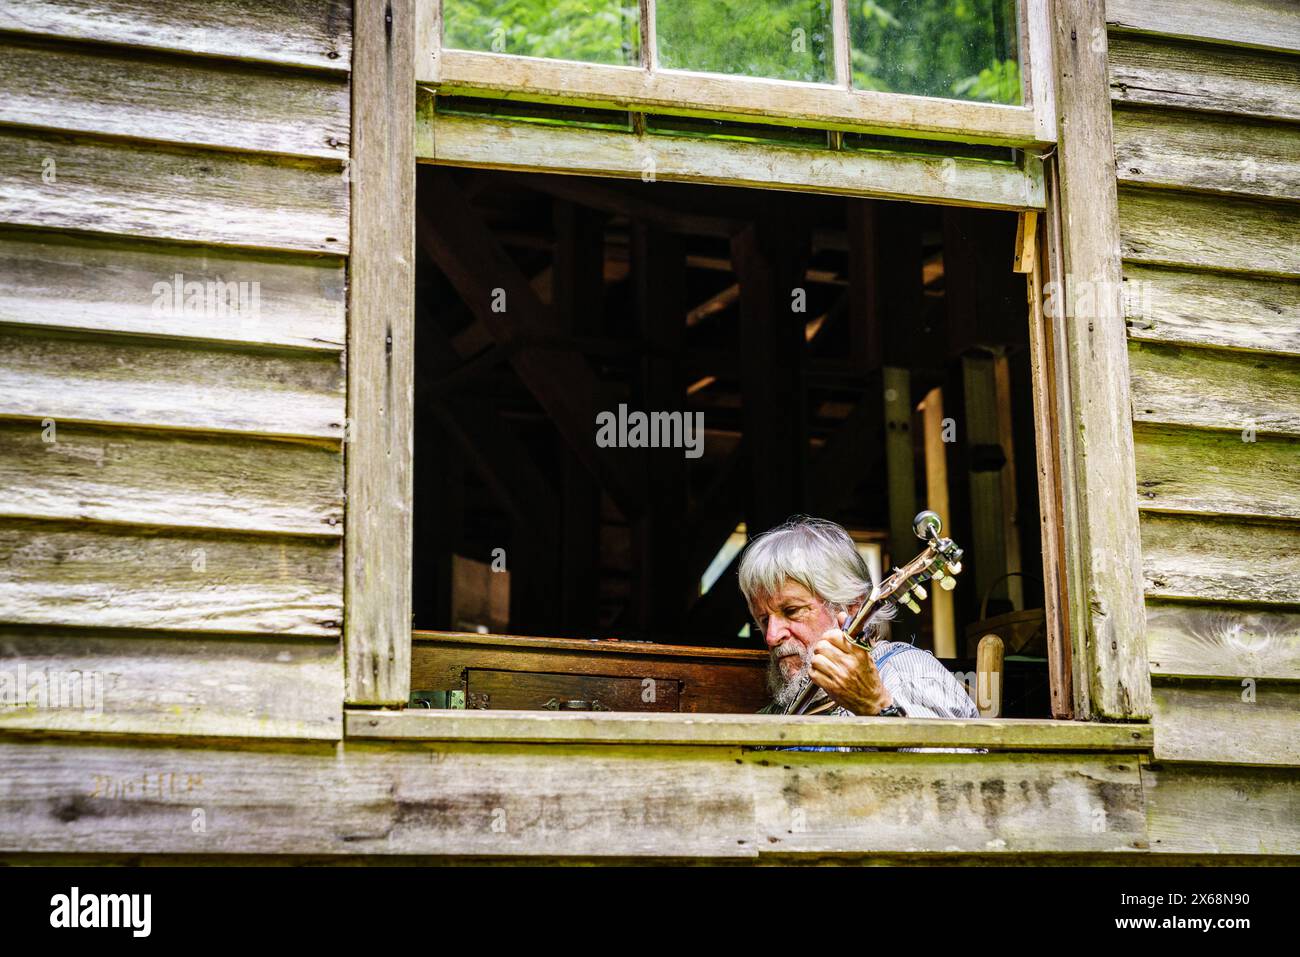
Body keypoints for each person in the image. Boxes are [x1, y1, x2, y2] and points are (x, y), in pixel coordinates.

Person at [739, 516, 980, 752]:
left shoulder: (907, 673)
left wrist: (877, 708)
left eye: (792, 611)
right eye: (764, 620)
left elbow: (951, 781)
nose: (771, 636)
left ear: (851, 607)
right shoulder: (781, 708)